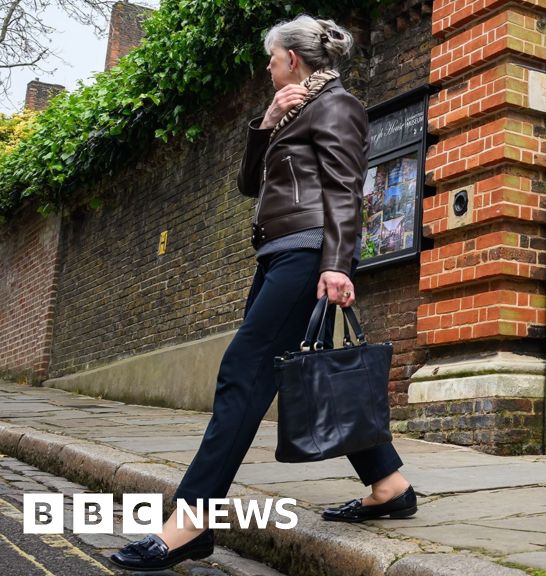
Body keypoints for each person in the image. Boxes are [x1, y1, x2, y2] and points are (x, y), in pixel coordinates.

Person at [110, 15, 415, 573]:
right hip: (278, 256)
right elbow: (249, 185)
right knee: (313, 372)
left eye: (272, 59)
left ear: (292, 60)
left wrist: (336, 265)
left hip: (306, 256)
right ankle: (389, 484)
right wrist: (266, 122)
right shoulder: (292, 111)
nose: (268, 68)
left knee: (243, 373)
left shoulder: (338, 106)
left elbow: (349, 189)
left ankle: (192, 520)